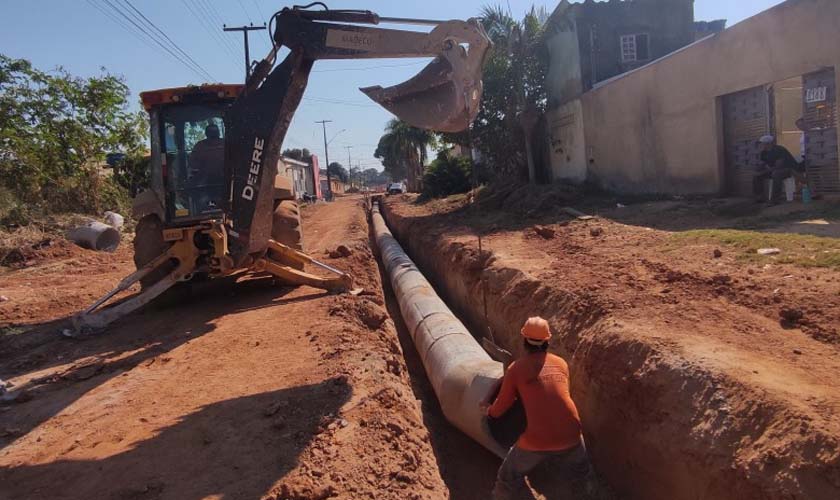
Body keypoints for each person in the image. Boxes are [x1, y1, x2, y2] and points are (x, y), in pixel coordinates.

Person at [483, 317, 593, 499]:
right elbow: (553, 398)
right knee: (582, 476)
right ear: (547, 341)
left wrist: (488, 412)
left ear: (524, 341)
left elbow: (501, 407)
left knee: (508, 477)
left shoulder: (515, 369)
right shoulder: (561, 364)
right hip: (572, 435)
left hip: (536, 441)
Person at [753, 135, 806, 203]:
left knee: (776, 174)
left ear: (768, 144)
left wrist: (763, 171)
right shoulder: (763, 153)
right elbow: (762, 164)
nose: (760, 145)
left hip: (789, 169)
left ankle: (775, 200)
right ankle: (759, 197)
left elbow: (778, 166)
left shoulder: (779, 149)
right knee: (757, 176)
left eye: (762, 143)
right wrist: (758, 169)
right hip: (775, 170)